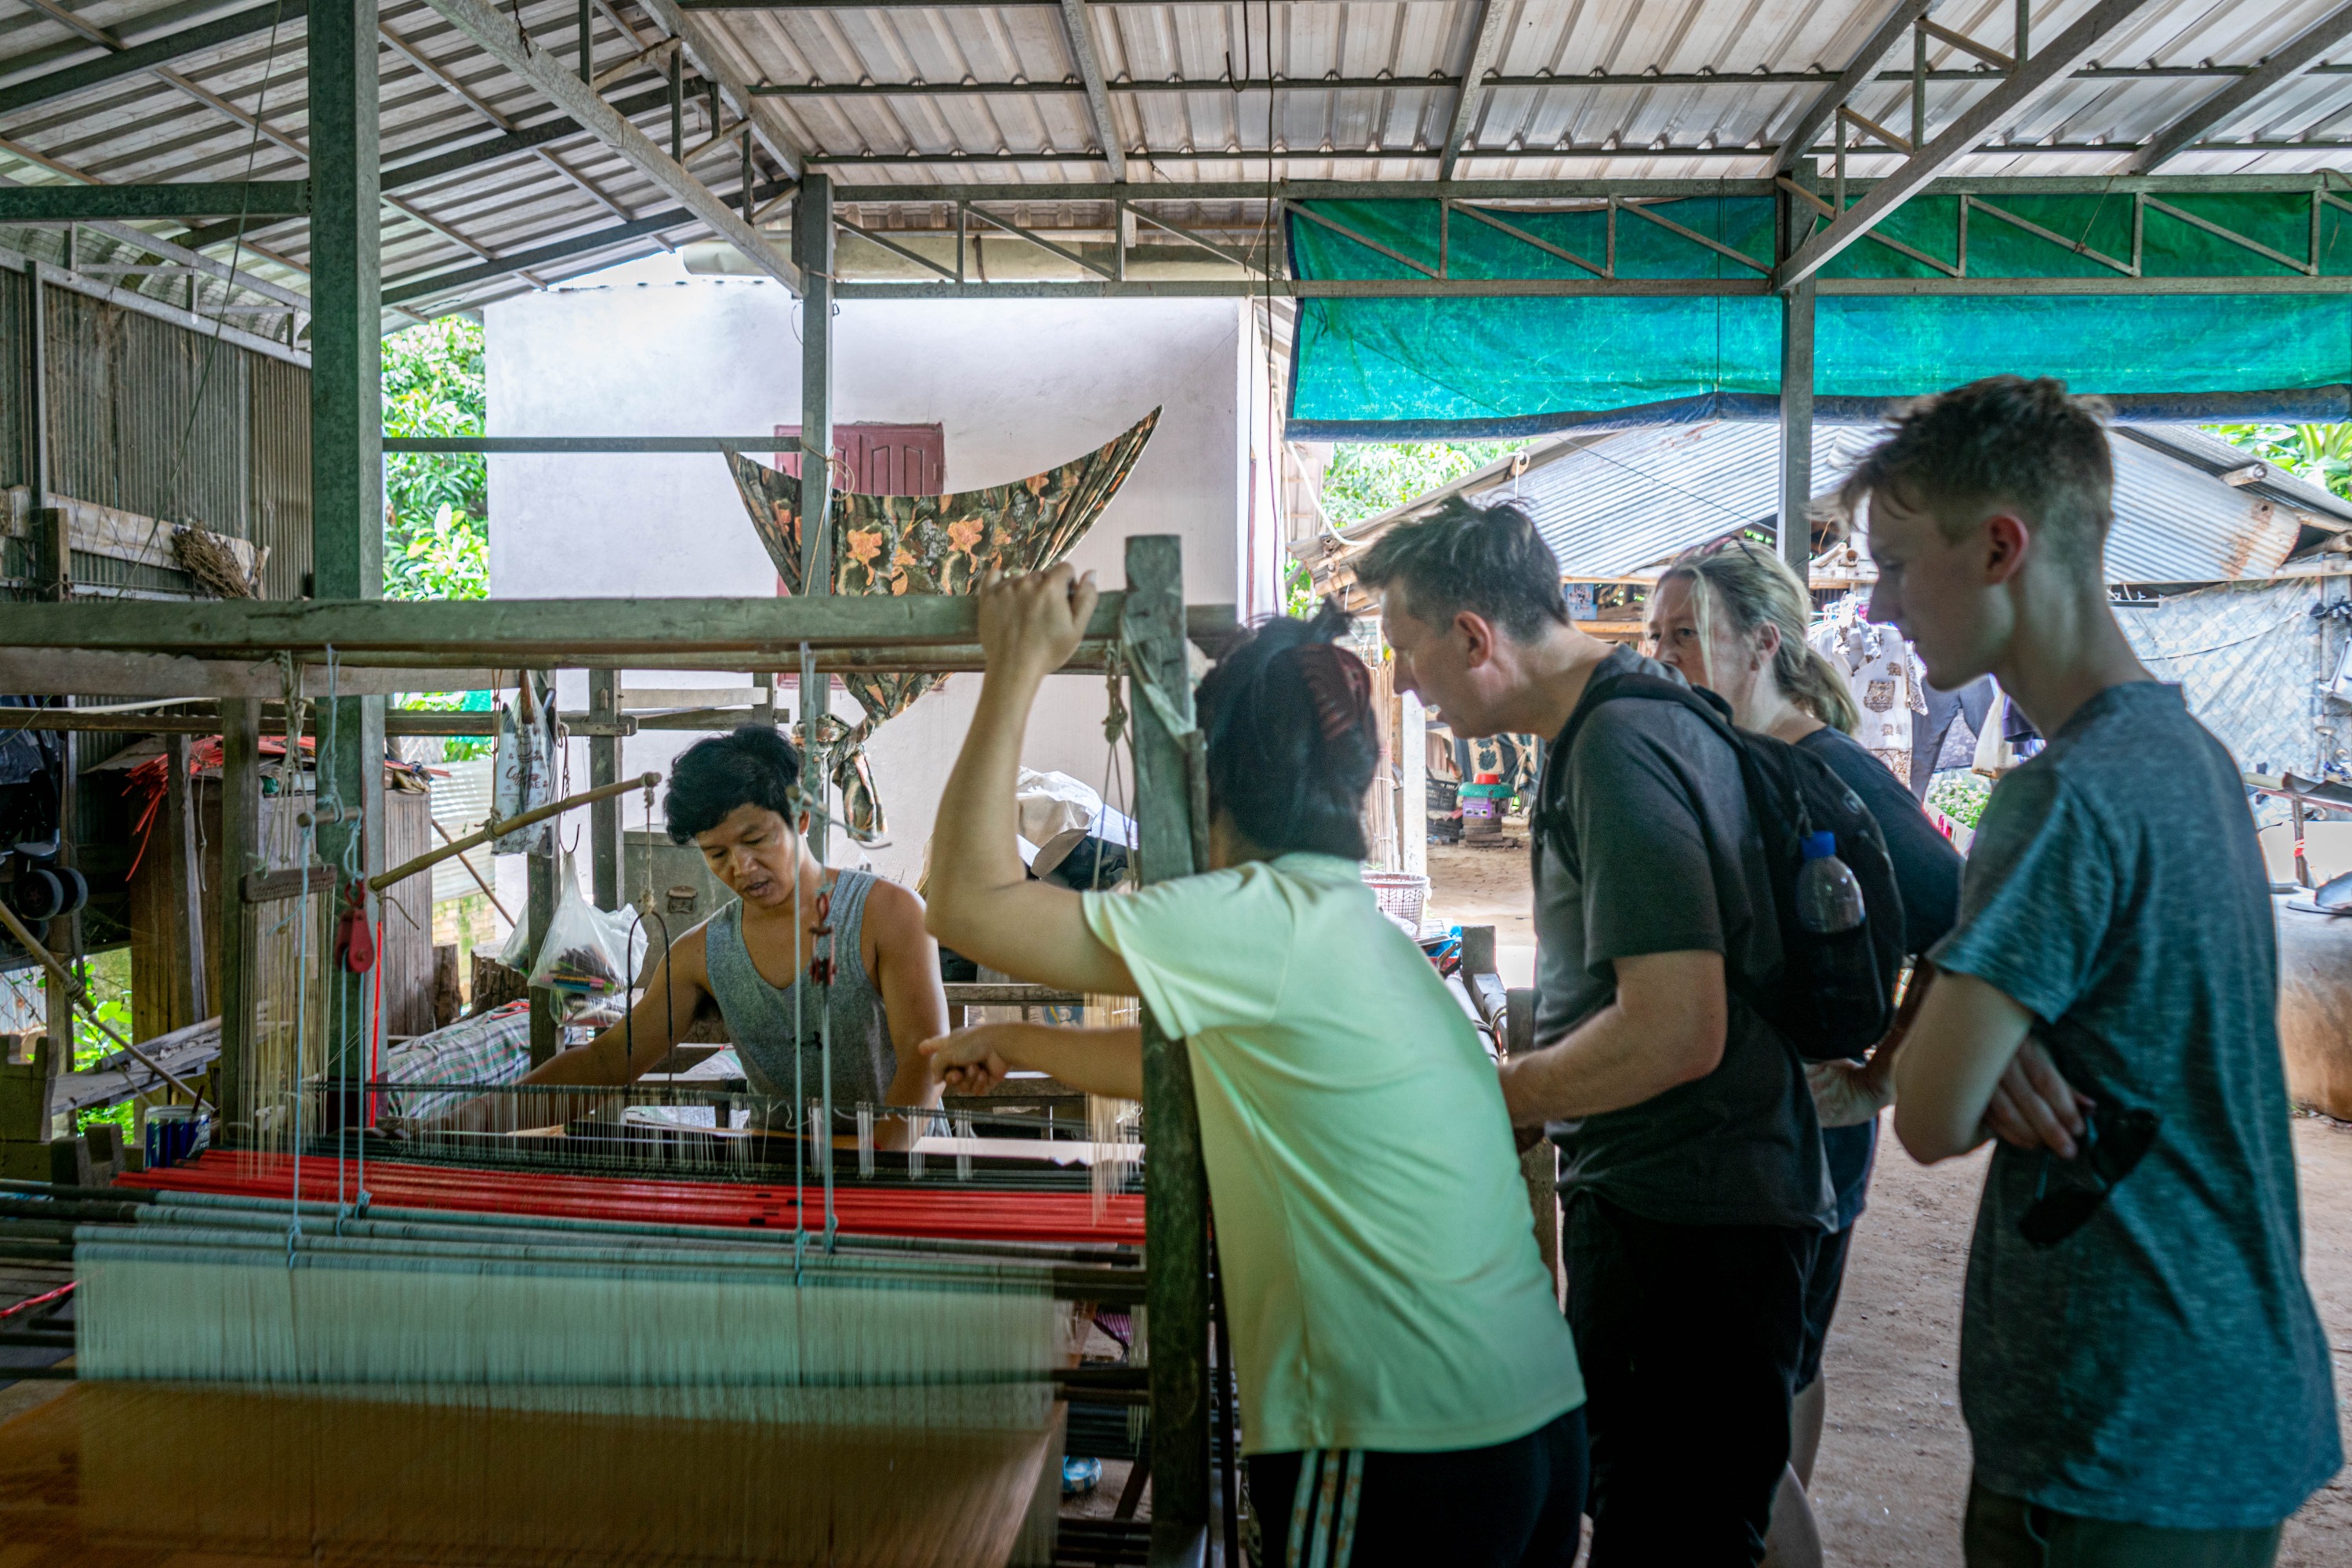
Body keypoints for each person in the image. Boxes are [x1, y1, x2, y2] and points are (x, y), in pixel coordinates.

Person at [922, 570, 1587, 1568]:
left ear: (1206, 783)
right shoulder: (1357, 934)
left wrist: (1014, 668)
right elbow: (1206, 1077)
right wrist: (1017, 1042)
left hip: (1394, 1440)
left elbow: (966, 902)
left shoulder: (1254, 918)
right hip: (1526, 1419)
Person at [1853, 376, 2340, 1565]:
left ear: (2002, 549)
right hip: (2227, 1384)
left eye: (1898, 564)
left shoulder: (2059, 798)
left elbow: (1925, 1112)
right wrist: (2005, 1032)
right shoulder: (2192, 758)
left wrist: (1980, 1038)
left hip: (2117, 1419)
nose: (1880, 604)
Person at [1356, 497, 1831, 1567]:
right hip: (1685, 1209)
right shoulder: (1626, 721)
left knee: (1667, 1535)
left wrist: (1498, 1096)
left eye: (1406, 651)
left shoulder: (1621, 747)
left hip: (1689, 1231)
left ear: (1474, 637)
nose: (1402, 684)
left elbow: (1676, 1029)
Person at [1646, 540, 1964, 1568]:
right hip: (1765, 1131)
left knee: (1729, 1394)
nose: (1666, 659)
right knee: (1782, 1370)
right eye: (1656, 639)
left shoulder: (1825, 768)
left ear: (1763, 642)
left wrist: (1884, 1069)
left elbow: (1960, 920)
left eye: (1686, 636)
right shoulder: (1729, 760)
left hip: (1799, 1135)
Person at [449, 725, 947, 1147]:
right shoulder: (704, 954)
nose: (742, 867)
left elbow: (925, 1060)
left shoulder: (889, 915)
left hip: (899, 1174)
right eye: (716, 854)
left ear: (800, 818)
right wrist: (460, 1125)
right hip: (773, 1174)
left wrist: (875, 1158)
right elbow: (606, 1061)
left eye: (756, 841)